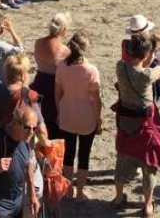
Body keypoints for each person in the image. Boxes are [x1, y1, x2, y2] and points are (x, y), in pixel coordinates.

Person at [111, 32, 160, 214]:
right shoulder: (146, 76)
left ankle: (119, 196)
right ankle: (148, 204)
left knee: (122, 159)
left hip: (126, 122)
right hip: (145, 124)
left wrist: (148, 51)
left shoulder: (121, 67)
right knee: (149, 164)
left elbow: (142, 63)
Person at [55, 31, 102, 202]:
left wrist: (60, 111)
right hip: (86, 116)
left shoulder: (61, 66)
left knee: (68, 155)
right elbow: (96, 100)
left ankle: (68, 191)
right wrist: (99, 119)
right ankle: (80, 192)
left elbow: (57, 92)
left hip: (67, 113)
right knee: (84, 155)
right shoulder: (91, 70)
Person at [32, 12, 71, 139]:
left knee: (39, 117)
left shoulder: (38, 42)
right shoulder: (64, 50)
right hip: (54, 87)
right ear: (64, 29)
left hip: (38, 82)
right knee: (53, 122)